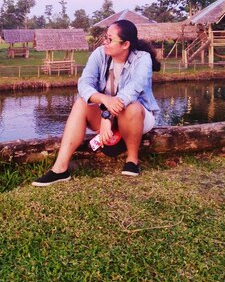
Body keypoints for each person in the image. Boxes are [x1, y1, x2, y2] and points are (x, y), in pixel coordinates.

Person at [32, 19, 161, 186]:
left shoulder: (142, 59)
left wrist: (107, 116)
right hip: (106, 112)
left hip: (137, 116)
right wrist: (104, 100)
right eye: (105, 38)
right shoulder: (100, 54)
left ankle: (132, 160)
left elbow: (132, 90)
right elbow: (84, 83)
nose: (105, 42)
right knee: (80, 103)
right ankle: (60, 168)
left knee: (132, 107)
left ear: (125, 44)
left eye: (110, 39)